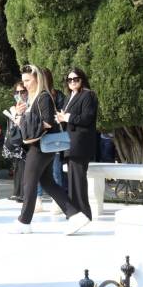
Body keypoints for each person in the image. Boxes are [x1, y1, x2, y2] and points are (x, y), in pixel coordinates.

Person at [11, 65, 87, 234]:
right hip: (39, 146)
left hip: (40, 146)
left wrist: (25, 122)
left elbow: (48, 122)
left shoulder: (43, 97)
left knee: (29, 183)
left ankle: (24, 222)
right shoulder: (32, 98)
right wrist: (19, 116)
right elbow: (31, 122)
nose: (25, 84)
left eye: (28, 80)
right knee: (48, 183)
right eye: (23, 81)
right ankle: (75, 216)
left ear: (38, 79)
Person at [56, 67, 98, 221]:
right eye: (69, 80)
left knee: (79, 181)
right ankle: (75, 215)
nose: (72, 82)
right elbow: (69, 118)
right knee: (72, 181)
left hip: (80, 144)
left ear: (82, 79)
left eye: (75, 79)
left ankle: (84, 215)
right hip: (69, 143)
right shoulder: (69, 97)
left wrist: (67, 117)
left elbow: (87, 118)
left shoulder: (88, 95)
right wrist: (61, 119)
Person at [34, 67, 67, 214]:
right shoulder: (35, 94)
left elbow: (62, 114)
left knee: (55, 170)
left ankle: (57, 202)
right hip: (37, 136)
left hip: (53, 137)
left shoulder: (56, 95)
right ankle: (38, 200)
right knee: (39, 172)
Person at [3, 83, 27, 202]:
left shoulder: (30, 104)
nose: (19, 94)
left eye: (22, 91)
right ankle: (17, 192)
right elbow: (10, 125)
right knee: (17, 166)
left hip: (27, 140)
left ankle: (24, 194)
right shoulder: (14, 106)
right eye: (17, 92)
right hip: (16, 139)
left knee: (25, 167)